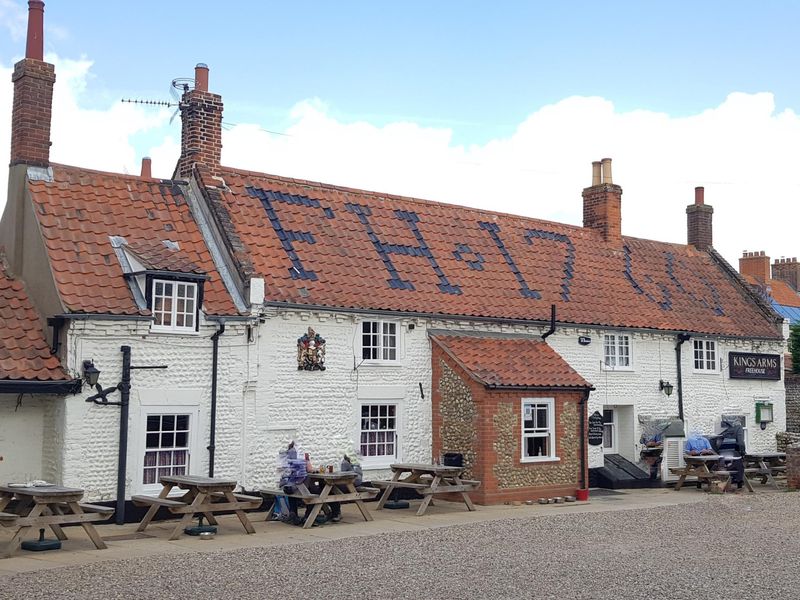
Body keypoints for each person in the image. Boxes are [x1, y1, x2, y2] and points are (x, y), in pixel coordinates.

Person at [328, 452, 363, 523]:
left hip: (351, 484)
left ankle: (336, 513)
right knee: (328, 488)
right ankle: (334, 512)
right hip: (351, 482)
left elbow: (346, 475)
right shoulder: (354, 463)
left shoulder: (347, 463)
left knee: (332, 490)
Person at [718, 418, 746, 490]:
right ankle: (739, 482)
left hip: (722, 454)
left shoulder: (723, 431)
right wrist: (743, 452)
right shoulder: (738, 428)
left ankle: (732, 480)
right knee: (739, 464)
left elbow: (717, 441)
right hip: (734, 452)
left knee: (728, 465)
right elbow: (740, 443)